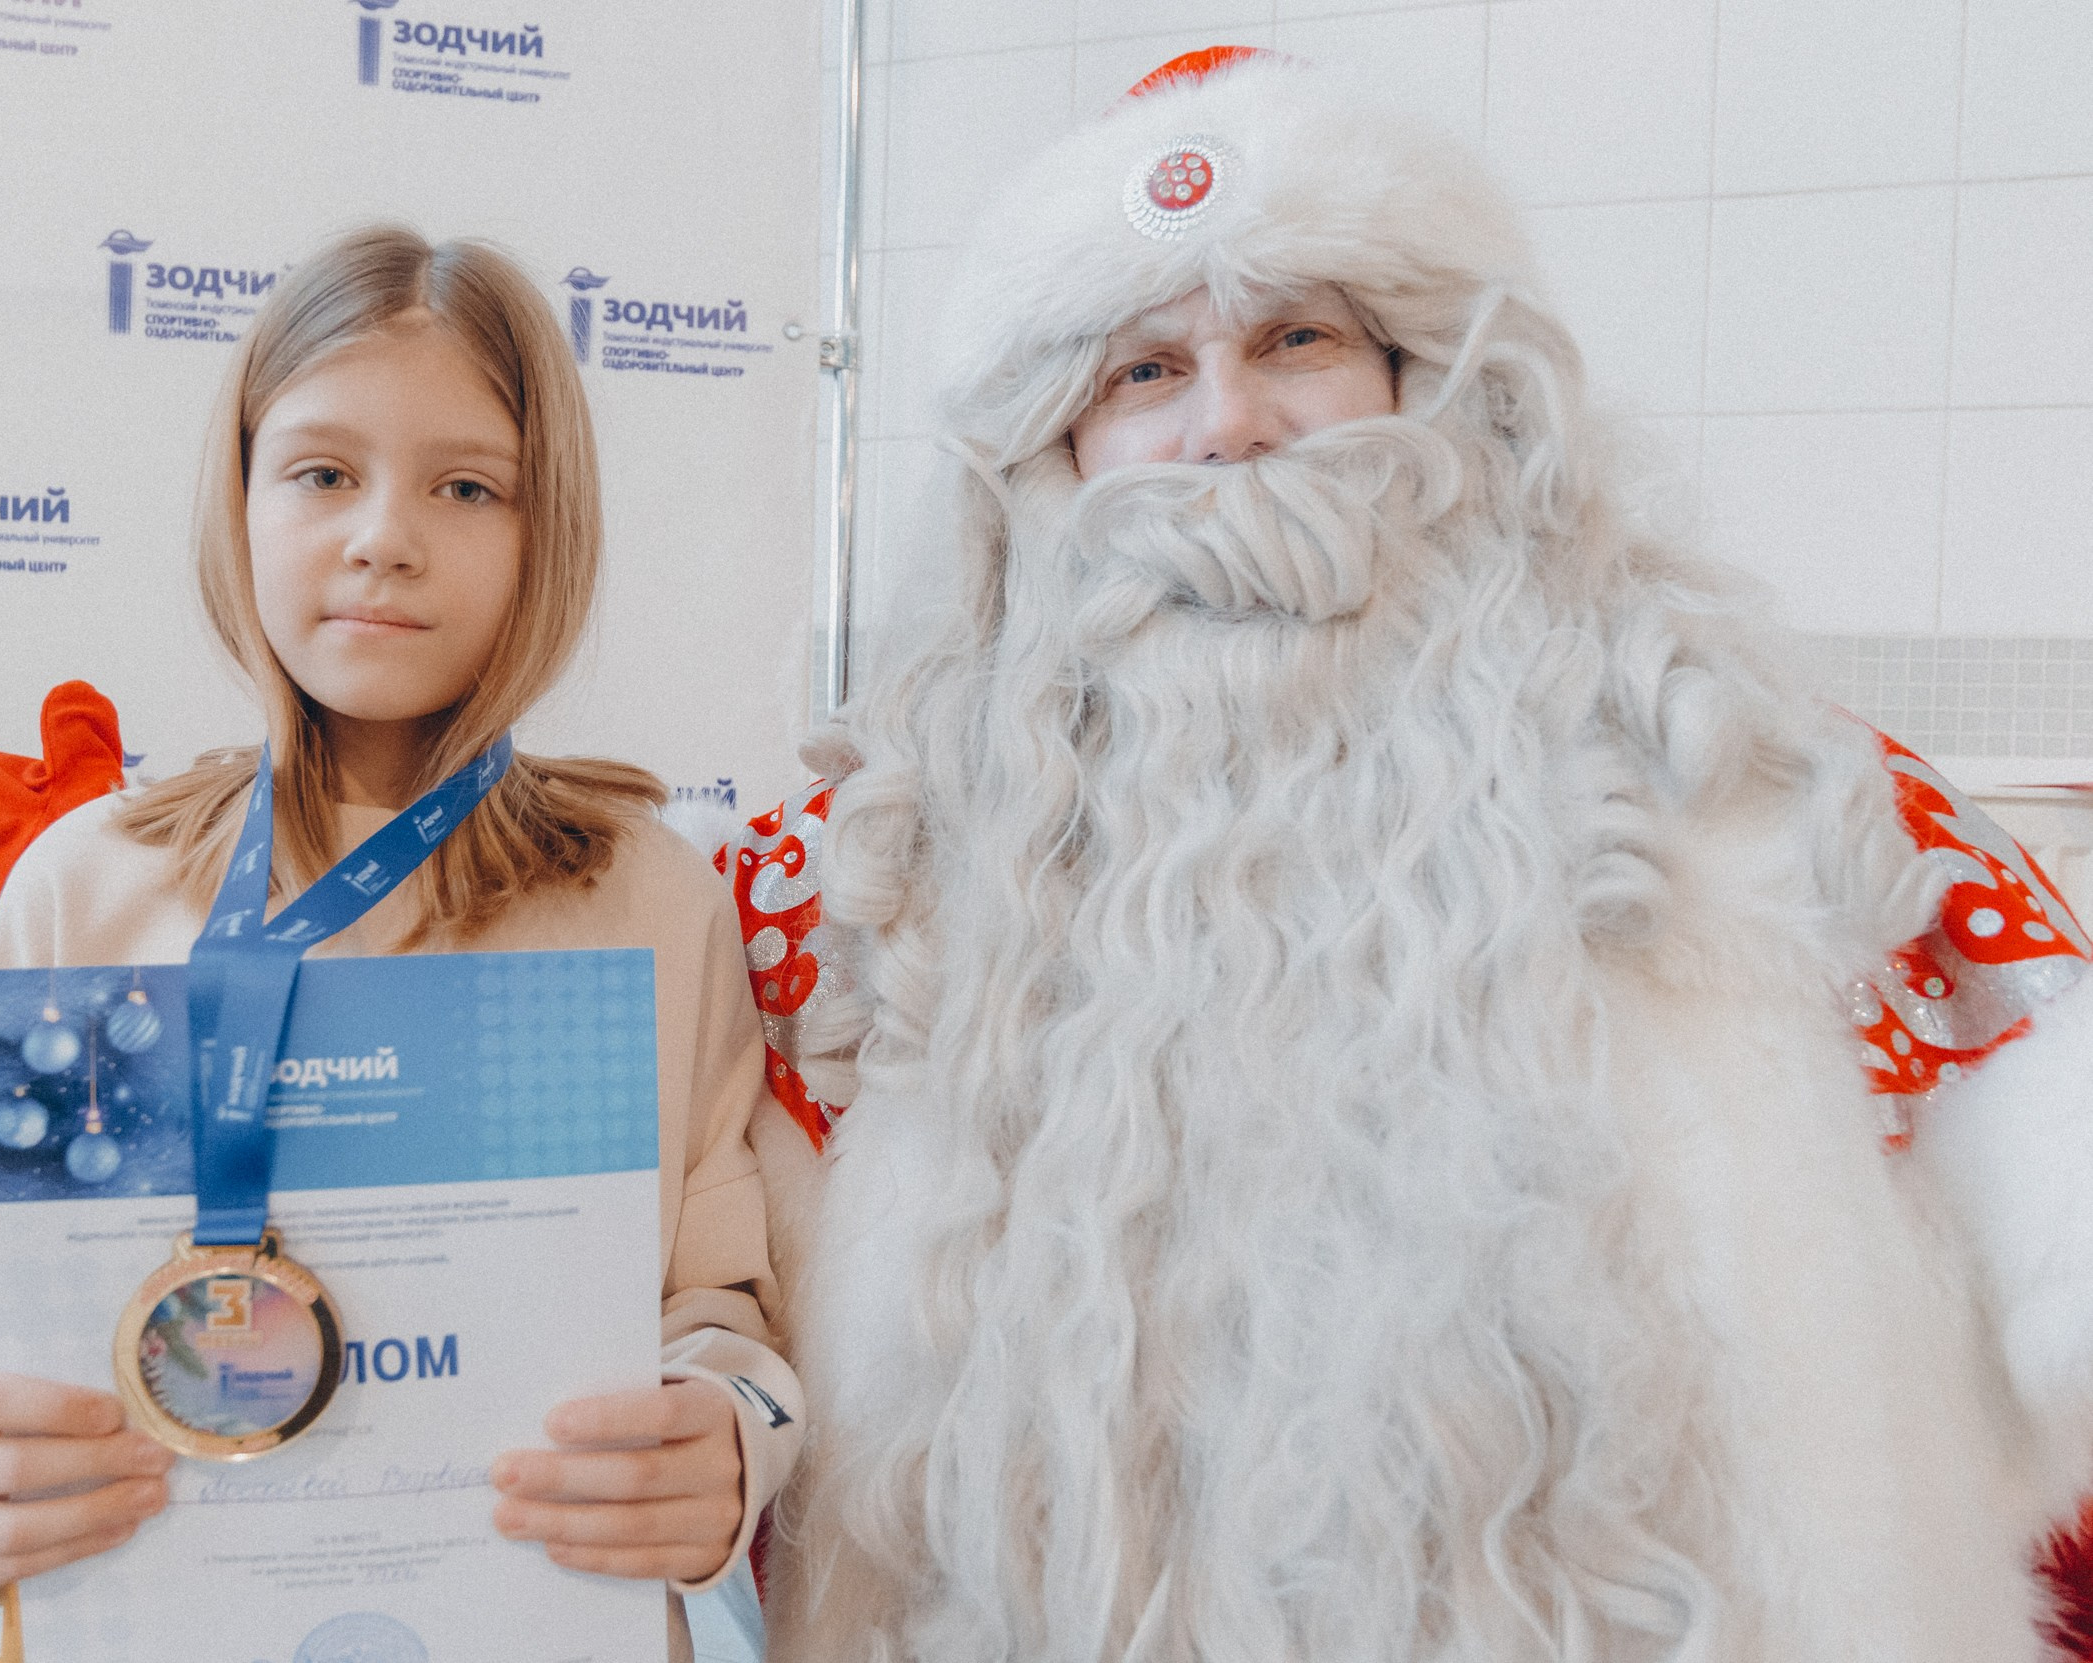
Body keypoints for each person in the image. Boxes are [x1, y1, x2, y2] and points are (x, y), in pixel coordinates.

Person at [729, 48, 2093, 1661]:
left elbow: (2042, 1244)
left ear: (1434, 383)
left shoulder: (1745, 777)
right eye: (1141, 372)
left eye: (1296, 337)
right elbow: (700, 1317)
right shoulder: (859, 883)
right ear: (1051, 452)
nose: (1231, 426)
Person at [0, 225, 803, 1660]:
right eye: (321, 472)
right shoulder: (89, 886)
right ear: (238, 499)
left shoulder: (645, 898)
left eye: (467, 485)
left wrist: (730, 1443)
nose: (383, 533)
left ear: (543, 527)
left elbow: (719, 1307)